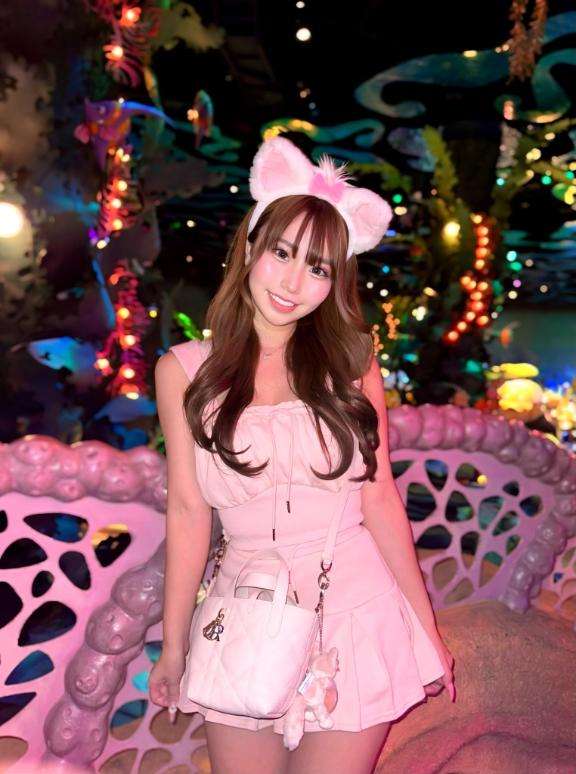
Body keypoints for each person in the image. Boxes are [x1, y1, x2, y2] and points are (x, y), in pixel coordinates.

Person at [150, 136, 455, 774]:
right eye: (283, 253)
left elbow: (380, 498)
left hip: (356, 613)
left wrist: (425, 629)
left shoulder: (353, 364)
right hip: (243, 614)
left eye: (318, 268)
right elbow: (188, 512)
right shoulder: (183, 371)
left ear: (335, 281)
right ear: (251, 248)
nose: (293, 283)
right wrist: (173, 643)